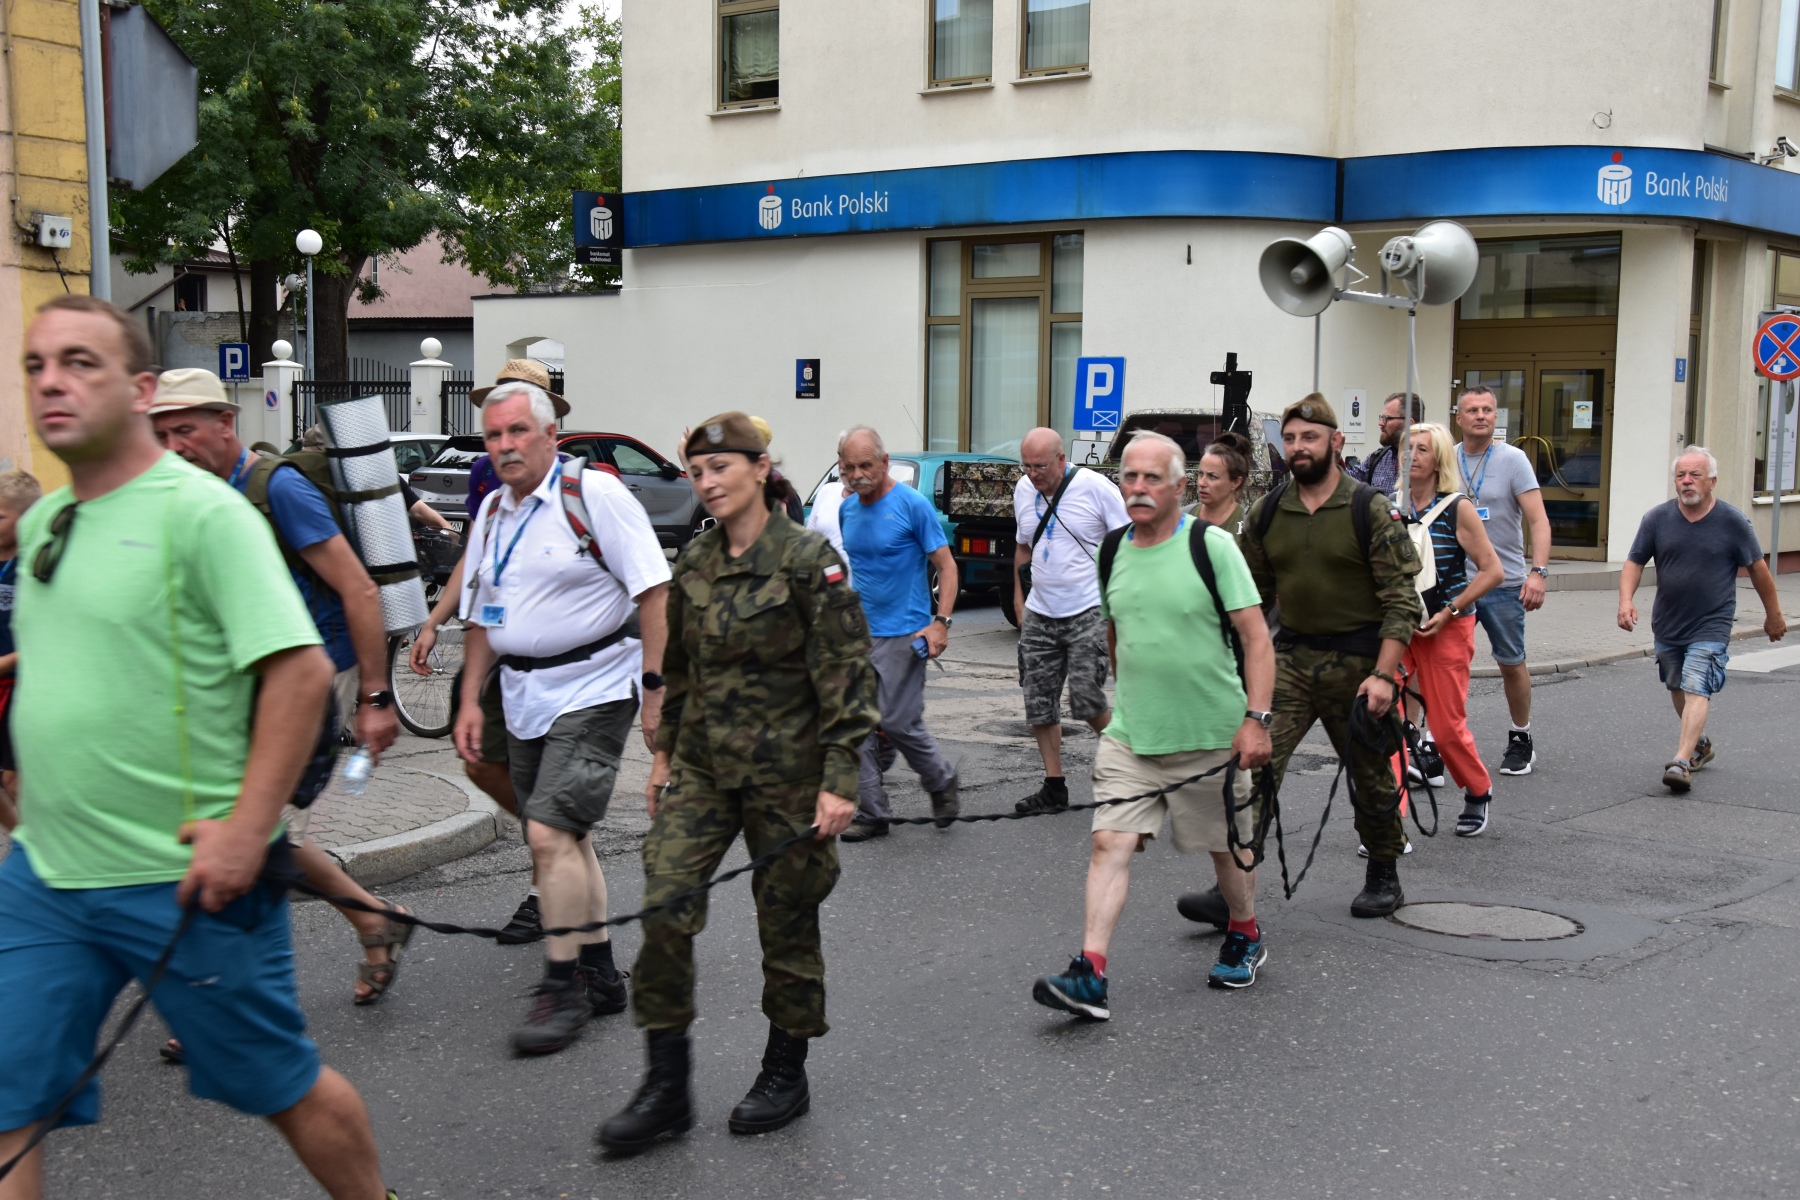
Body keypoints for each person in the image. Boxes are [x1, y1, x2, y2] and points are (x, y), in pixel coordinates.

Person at [0, 294, 396, 1200]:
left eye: (80, 363)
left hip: (182, 876)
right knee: (10, 1096)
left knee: (279, 1085)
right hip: (48, 877)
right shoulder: (48, 524)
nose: (52, 382)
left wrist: (247, 831)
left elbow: (299, 671)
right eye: (36, 365)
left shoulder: (205, 517)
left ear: (138, 391)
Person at [598, 413, 879, 1152]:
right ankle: (666, 1087)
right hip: (704, 769)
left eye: (720, 467)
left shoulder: (808, 561)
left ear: (759, 468)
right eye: (697, 472)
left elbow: (847, 676)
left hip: (790, 775)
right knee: (664, 904)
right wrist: (663, 758)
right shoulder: (695, 560)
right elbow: (682, 670)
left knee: (786, 922)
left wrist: (839, 780)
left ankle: (786, 1069)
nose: (707, 482)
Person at [150, 369, 413, 1009]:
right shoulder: (193, 495)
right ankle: (374, 921)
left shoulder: (279, 488)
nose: (173, 446)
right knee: (250, 826)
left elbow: (358, 589)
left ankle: (222, 996)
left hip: (315, 675)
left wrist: (375, 697)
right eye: (160, 435)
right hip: (249, 681)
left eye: (185, 430)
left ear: (225, 422)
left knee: (253, 827)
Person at [455, 381, 671, 1055]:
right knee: (566, 837)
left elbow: (654, 591)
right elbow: (480, 616)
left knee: (547, 834)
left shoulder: (595, 495)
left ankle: (562, 986)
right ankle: (601, 972)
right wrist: (469, 698)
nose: (505, 446)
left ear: (551, 435)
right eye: (494, 435)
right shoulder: (492, 513)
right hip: (524, 693)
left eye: (518, 431)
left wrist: (655, 689)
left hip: (597, 684)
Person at [1031, 432, 1277, 1020]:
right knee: (1108, 843)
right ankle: (1090, 974)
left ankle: (1244, 931)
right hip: (1133, 737)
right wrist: (1129, 705)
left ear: (1179, 486)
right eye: (1129, 477)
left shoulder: (1212, 547)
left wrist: (1255, 721)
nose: (1138, 488)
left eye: (1151, 479)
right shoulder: (1112, 549)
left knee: (1225, 849)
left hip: (1211, 735)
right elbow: (1117, 631)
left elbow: (1256, 639)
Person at [1185, 394, 1422, 922]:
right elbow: (1249, 597)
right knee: (1253, 765)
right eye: (1290, 438)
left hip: (1359, 663)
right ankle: (1234, 888)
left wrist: (1384, 675)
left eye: (1309, 438)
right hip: (1290, 659)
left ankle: (1383, 871)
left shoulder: (1368, 508)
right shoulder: (1270, 512)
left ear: (1336, 442)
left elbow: (1401, 601)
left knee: (1370, 774)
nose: (1298, 447)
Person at [1619, 447, 1786, 792]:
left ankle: (1681, 761)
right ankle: (1701, 744)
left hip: (1712, 623)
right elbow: (1634, 562)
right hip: (1669, 622)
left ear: (1712, 481)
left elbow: (1758, 570)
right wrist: (1625, 601)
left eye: (1694, 475)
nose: (1686, 481)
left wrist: (1774, 614)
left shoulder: (1733, 521)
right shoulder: (1657, 519)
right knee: (1677, 685)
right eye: (1681, 475)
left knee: (1697, 684)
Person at [834, 425, 960, 841]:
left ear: (885, 463)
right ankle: (872, 812)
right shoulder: (847, 510)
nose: (857, 474)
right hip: (858, 635)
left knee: (897, 721)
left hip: (906, 634)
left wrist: (940, 623)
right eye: (849, 467)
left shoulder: (912, 504)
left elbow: (947, 567)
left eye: (866, 465)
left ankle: (941, 780)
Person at [1010, 427, 1127, 814]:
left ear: (1061, 459)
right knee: (1038, 701)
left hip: (1088, 607)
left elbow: (1128, 542)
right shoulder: (1023, 490)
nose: (1032, 475)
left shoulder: (1095, 488)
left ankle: (1130, 765)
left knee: (1086, 697)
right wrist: (1019, 598)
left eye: (1040, 466)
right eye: (1026, 466)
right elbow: (1023, 545)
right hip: (1041, 610)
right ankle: (1054, 786)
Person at [1400, 423, 1503, 837]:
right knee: (1383, 720)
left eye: (1422, 449)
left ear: (1439, 459)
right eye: (1407, 448)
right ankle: (1386, 817)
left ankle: (1478, 790)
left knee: (1444, 729)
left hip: (1448, 626)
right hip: (1398, 627)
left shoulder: (1457, 508)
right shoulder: (1389, 506)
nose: (1412, 455)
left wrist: (1449, 611)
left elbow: (1492, 571)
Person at [1454, 385, 1552, 776]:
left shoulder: (1513, 459)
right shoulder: (1448, 458)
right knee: (1447, 664)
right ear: (1459, 418)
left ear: (1496, 417)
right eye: (1473, 410)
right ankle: (1434, 739)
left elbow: (1539, 520)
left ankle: (1521, 737)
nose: (1481, 416)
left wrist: (1538, 572)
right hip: (1456, 583)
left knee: (1511, 663)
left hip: (1504, 582)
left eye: (1488, 410)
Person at [0, 469, 39, 829]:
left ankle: (34, 846)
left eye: (1, 516)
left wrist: (8, 662)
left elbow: (50, 636)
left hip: (21, 687)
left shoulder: (34, 567)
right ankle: (25, 843)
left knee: (14, 779)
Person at [1347, 392, 1424, 495]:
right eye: (1382, 418)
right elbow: (1348, 482)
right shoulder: (1377, 458)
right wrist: (1335, 456)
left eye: (1387, 418)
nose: (1381, 423)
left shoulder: (1427, 462)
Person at [1188, 431, 1253, 532]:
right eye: (1200, 474)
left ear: (1236, 482)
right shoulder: (1184, 518)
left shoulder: (1248, 526)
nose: (1201, 483)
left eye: (1212, 476)